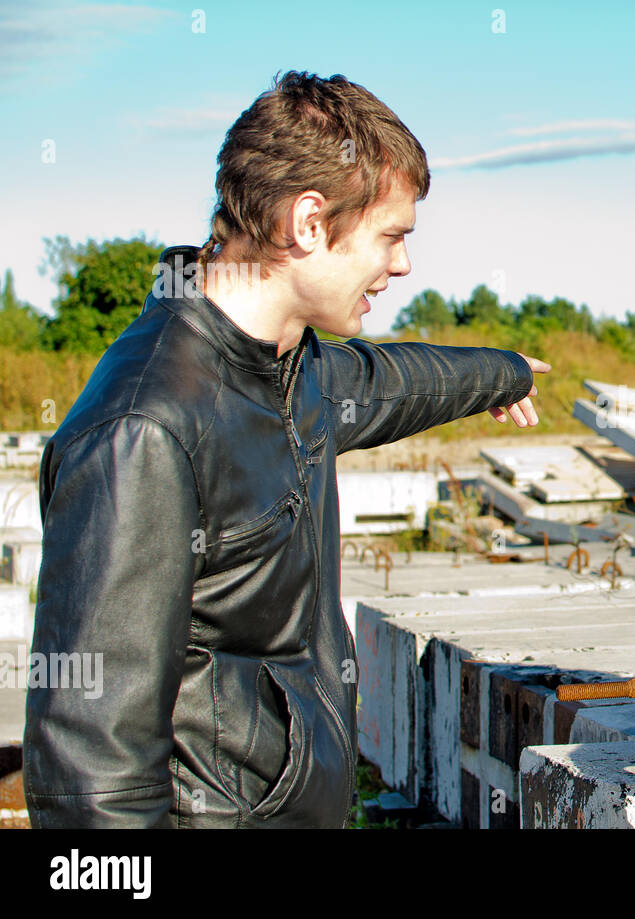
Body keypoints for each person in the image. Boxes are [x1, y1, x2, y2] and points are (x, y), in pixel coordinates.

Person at [24, 71, 549, 827]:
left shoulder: (288, 364)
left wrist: (500, 372)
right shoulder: (144, 428)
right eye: (391, 235)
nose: (402, 265)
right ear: (308, 223)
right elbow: (91, 771)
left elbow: (392, 381)